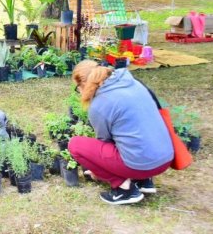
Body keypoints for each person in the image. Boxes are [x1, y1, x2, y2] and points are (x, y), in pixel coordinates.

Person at [69, 60, 173, 205]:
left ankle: (124, 189)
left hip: (140, 164)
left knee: (76, 145)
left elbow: (105, 141)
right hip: (165, 159)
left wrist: (98, 169)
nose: (79, 92)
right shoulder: (134, 83)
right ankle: (144, 181)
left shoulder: (100, 105)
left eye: (78, 87)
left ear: (84, 85)